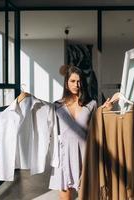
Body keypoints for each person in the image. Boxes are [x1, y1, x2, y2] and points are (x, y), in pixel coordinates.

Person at [49, 65, 114, 200]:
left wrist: (106, 110)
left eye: (79, 81)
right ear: (66, 83)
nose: (76, 85)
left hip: (84, 155)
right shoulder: (56, 106)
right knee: (65, 197)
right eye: (72, 81)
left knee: (87, 195)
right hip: (64, 156)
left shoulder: (91, 104)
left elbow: (98, 127)